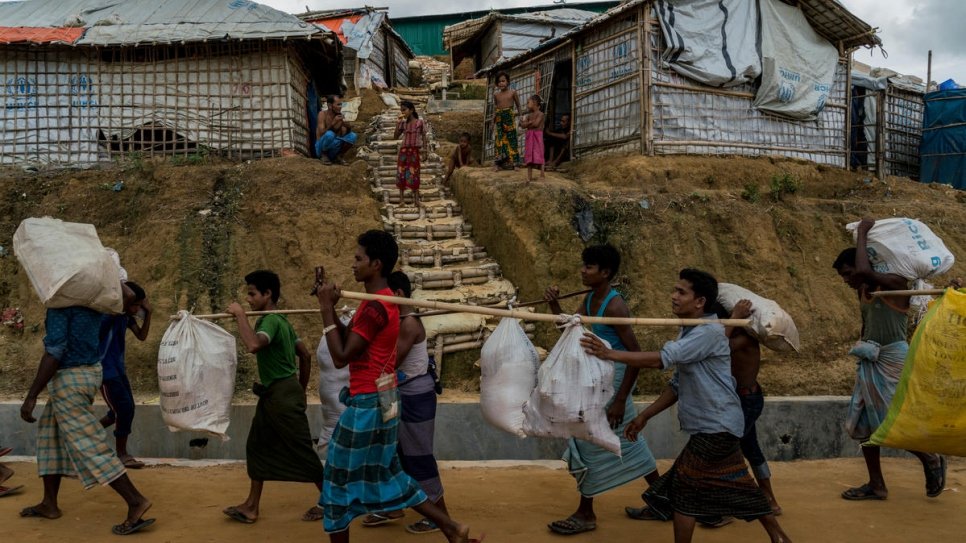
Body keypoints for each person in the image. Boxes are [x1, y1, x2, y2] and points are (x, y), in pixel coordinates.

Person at [581, 269, 790, 543]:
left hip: (717, 427)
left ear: (700, 302)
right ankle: (779, 537)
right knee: (738, 484)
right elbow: (678, 385)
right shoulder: (691, 331)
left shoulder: (709, 333)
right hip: (719, 425)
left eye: (681, 292)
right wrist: (645, 415)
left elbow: (662, 359)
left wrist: (610, 353)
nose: (673, 296)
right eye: (675, 290)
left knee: (685, 489)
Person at [315, 230, 479, 543]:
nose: (353, 264)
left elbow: (341, 357)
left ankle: (451, 527)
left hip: (366, 405)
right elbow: (350, 342)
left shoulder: (376, 307)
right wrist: (330, 306)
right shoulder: (379, 303)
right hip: (380, 399)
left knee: (336, 481)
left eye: (358, 258)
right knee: (388, 473)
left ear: (376, 264)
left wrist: (325, 310)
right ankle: (452, 528)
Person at [19, 284, 155, 535]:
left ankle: (136, 501)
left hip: (69, 380)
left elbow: (54, 352)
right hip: (88, 374)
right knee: (51, 437)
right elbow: (126, 295)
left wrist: (31, 396)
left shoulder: (61, 307)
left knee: (89, 444)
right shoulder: (94, 301)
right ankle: (49, 503)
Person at [543, 245, 659, 536]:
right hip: (598, 383)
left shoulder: (614, 305)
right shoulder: (591, 299)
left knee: (589, 440)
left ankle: (586, 513)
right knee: (627, 440)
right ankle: (664, 499)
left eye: (589, 266)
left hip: (612, 384)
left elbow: (636, 355)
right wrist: (555, 307)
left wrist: (620, 400)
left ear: (605, 273)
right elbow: (573, 333)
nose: (583, 270)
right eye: (584, 265)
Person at [832, 218, 946, 501]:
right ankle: (876, 484)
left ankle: (931, 459)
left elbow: (863, 269)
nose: (847, 280)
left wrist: (863, 233)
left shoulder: (896, 284)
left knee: (890, 423)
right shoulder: (862, 290)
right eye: (844, 277)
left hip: (893, 359)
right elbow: (867, 322)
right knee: (863, 425)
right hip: (871, 358)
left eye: (848, 273)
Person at [223, 270, 325, 524]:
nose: (248, 299)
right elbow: (305, 355)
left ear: (267, 294)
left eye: (252, 293)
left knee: (301, 451)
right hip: (277, 394)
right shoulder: (283, 321)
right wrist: (299, 388)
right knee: (258, 445)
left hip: (281, 395)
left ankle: (333, 501)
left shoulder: (270, 320)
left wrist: (240, 316)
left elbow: (253, 345)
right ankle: (251, 506)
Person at [362, 271, 448, 534]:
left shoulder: (408, 324)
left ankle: (440, 516)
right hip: (398, 393)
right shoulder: (398, 321)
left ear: (397, 294)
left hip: (414, 396)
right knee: (393, 453)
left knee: (418, 457)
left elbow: (390, 361)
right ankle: (393, 506)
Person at [98, 280, 151, 470]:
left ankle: (84, 436)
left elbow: (142, 336)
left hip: (118, 369)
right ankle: (121, 454)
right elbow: (126, 297)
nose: (137, 309)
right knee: (124, 410)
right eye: (135, 304)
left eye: (139, 305)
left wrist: (149, 313)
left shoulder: (126, 317)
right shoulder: (110, 314)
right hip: (104, 370)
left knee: (118, 413)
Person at [394, 100, 428, 208]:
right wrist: (398, 123)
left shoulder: (420, 122)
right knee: (401, 173)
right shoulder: (403, 123)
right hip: (404, 151)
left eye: (404, 110)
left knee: (415, 174)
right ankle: (401, 200)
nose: (402, 112)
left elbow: (424, 137)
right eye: (401, 110)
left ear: (411, 110)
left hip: (414, 151)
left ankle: (416, 201)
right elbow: (395, 137)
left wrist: (425, 151)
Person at [316, 95, 358, 165]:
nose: (340, 107)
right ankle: (324, 155)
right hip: (321, 147)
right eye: (338, 104)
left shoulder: (339, 115)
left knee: (353, 136)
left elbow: (342, 135)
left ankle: (338, 156)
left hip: (333, 147)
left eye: (341, 104)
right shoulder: (322, 114)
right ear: (330, 105)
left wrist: (348, 127)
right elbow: (322, 132)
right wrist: (333, 123)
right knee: (330, 134)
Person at [492, 72, 521, 170]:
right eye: (499, 82)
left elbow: (518, 105)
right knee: (499, 140)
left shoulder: (513, 92)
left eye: (503, 81)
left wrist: (521, 116)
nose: (501, 83)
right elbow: (496, 110)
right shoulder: (496, 95)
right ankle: (498, 163)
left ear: (508, 82)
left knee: (511, 139)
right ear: (497, 83)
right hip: (499, 119)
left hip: (509, 118)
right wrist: (493, 122)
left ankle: (515, 163)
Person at [520, 95, 546, 183]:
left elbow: (536, 124)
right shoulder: (528, 115)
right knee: (529, 155)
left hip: (537, 136)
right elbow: (523, 125)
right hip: (530, 136)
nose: (527, 104)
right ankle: (529, 176)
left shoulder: (541, 114)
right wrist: (528, 123)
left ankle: (542, 173)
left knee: (539, 153)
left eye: (528, 102)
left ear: (534, 103)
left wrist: (527, 123)